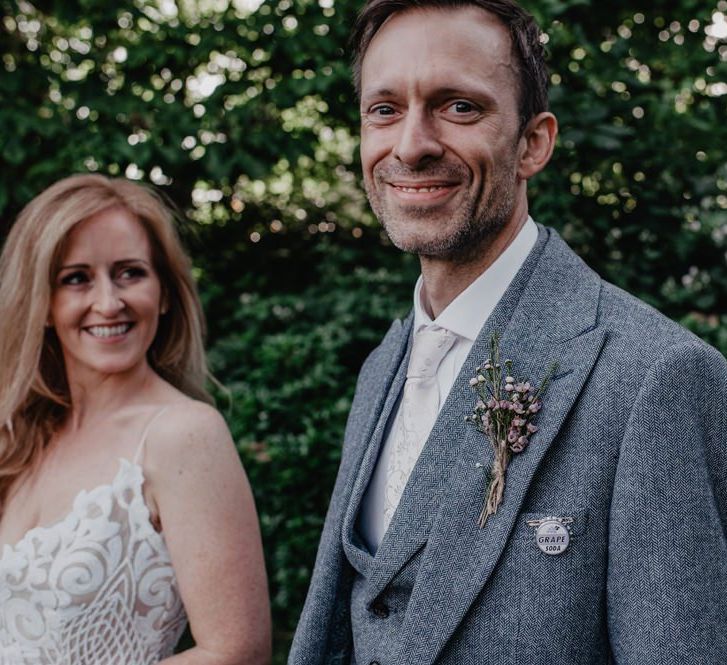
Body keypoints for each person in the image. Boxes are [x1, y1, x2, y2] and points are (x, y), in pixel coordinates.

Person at [289, 1, 727, 663]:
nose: (410, 144)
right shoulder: (383, 364)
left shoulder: (655, 376)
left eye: (457, 106)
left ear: (532, 143)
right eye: (384, 109)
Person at [0, 174, 271, 664]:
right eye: (76, 278)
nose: (109, 302)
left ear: (164, 294)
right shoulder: (20, 435)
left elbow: (236, 652)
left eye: (130, 273)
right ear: (43, 303)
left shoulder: (183, 434)